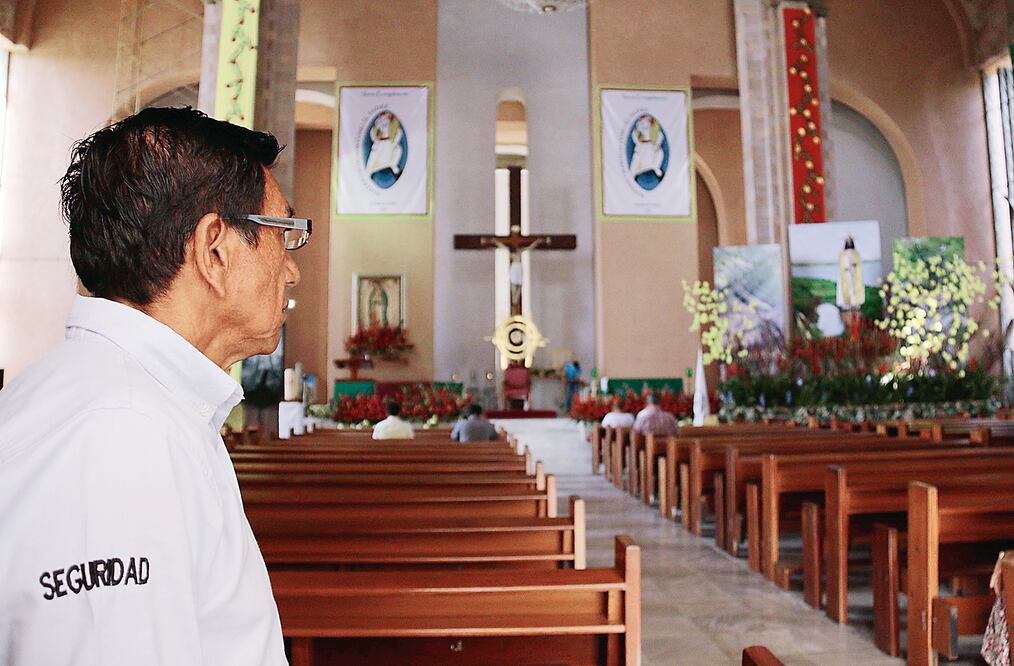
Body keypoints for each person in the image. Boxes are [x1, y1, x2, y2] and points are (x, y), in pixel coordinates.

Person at [0, 107, 308, 664]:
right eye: (285, 233)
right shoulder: (120, 439)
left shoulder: (134, 405)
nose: (292, 270)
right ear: (215, 249)